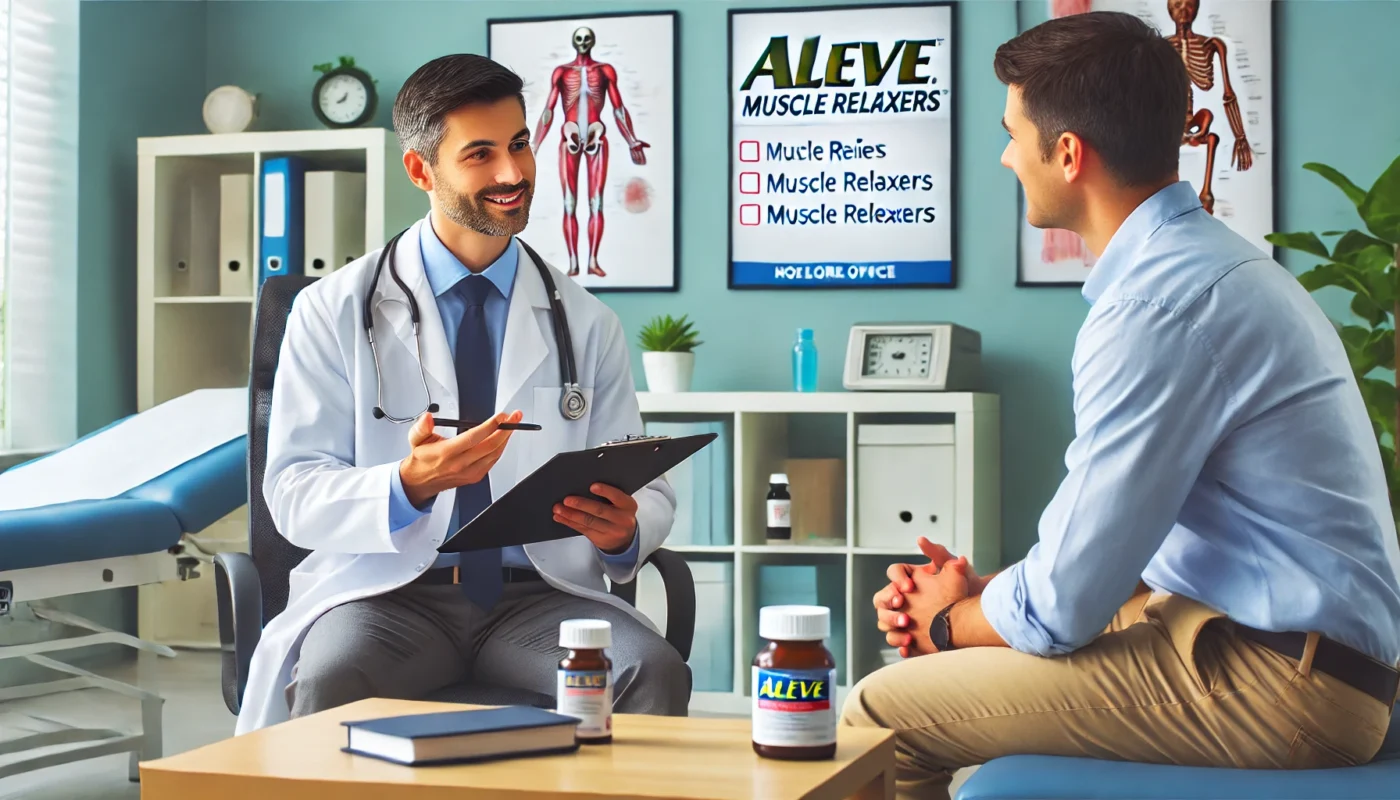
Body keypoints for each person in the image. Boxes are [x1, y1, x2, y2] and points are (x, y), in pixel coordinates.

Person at [840, 12, 1400, 800]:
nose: (1005, 156)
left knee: (873, 716)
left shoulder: (1157, 307)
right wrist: (974, 598)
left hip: (1281, 688)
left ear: (1067, 154)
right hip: (1264, 646)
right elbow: (1108, 558)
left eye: (1011, 133)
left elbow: (1064, 605)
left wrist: (944, 623)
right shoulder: (1213, 270)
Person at [233, 53, 688, 735]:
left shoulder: (584, 321)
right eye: (480, 154)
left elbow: (644, 484)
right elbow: (293, 492)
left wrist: (625, 531)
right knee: (332, 677)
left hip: (541, 603)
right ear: (421, 170)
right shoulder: (333, 310)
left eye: (520, 144)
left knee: (648, 669)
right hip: (387, 600)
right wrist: (406, 485)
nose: (513, 174)